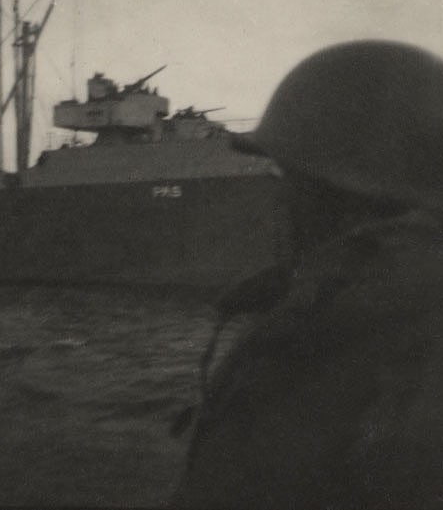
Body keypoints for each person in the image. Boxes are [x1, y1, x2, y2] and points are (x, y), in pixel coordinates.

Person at [172, 39, 443, 509]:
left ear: (335, 189)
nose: (276, 199)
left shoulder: (339, 338)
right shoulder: (370, 318)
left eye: (285, 175)